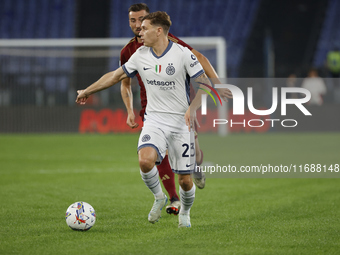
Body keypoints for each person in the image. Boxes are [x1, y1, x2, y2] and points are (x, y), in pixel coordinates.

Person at [76, 11, 214, 227]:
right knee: (145, 160)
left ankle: (185, 211)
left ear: (159, 31)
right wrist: (88, 90)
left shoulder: (183, 54)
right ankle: (160, 197)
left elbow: (205, 85)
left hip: (181, 122)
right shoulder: (139, 55)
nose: (140, 30)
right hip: (154, 120)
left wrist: (192, 108)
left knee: (185, 181)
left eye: (145, 28)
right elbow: (115, 76)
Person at [120, 3, 231, 215]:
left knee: (194, 152)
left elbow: (200, 58)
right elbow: (124, 82)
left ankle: (196, 165)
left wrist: (218, 83)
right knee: (156, 152)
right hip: (151, 109)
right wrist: (129, 110)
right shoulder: (128, 51)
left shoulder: (169, 43)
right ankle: (173, 198)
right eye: (132, 20)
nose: (137, 25)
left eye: (141, 20)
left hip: (179, 106)